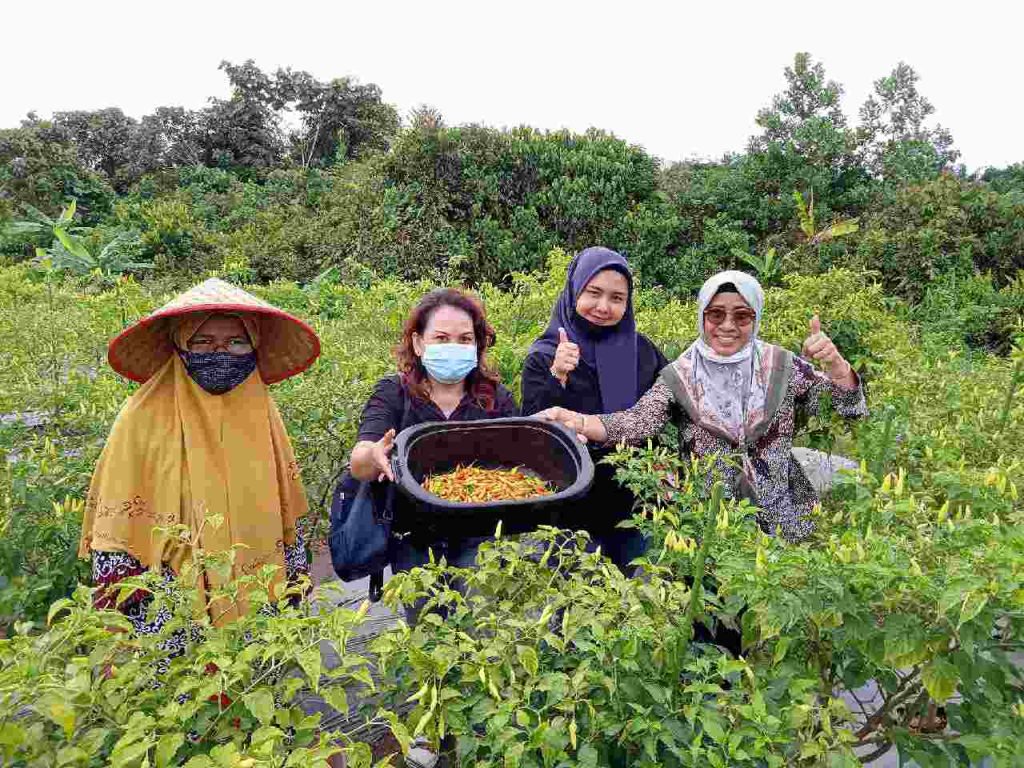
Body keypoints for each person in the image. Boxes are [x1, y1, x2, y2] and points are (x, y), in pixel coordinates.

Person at [538, 270, 868, 542]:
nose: (728, 325)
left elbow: (847, 411)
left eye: (742, 315)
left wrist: (838, 370)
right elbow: (638, 422)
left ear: (756, 317)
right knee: (717, 614)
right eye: (716, 314)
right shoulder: (680, 375)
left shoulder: (782, 366)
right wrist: (578, 422)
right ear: (702, 316)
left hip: (786, 516)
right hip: (710, 526)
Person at [79, 278, 321, 629]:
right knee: (177, 676)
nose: (220, 353)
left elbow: (285, 514)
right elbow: (118, 531)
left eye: (236, 342)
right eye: (203, 342)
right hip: (169, 598)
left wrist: (294, 582)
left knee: (253, 672)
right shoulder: (141, 417)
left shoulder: (264, 414)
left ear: (253, 347)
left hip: (254, 583)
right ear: (181, 345)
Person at [349, 288, 519, 582]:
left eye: (465, 339)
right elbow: (360, 460)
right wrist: (374, 455)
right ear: (418, 343)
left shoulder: (496, 399)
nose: (453, 346)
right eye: (441, 338)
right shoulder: (394, 393)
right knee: (425, 618)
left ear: (477, 344)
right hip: (413, 537)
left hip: (482, 537)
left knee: (479, 620)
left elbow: (521, 459)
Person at [521, 247, 668, 570]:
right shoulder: (545, 356)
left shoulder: (643, 352)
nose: (603, 307)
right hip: (568, 508)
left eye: (617, 298)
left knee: (637, 602)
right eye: (593, 293)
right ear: (575, 290)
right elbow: (530, 435)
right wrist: (556, 376)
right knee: (577, 603)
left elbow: (670, 408)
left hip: (635, 504)